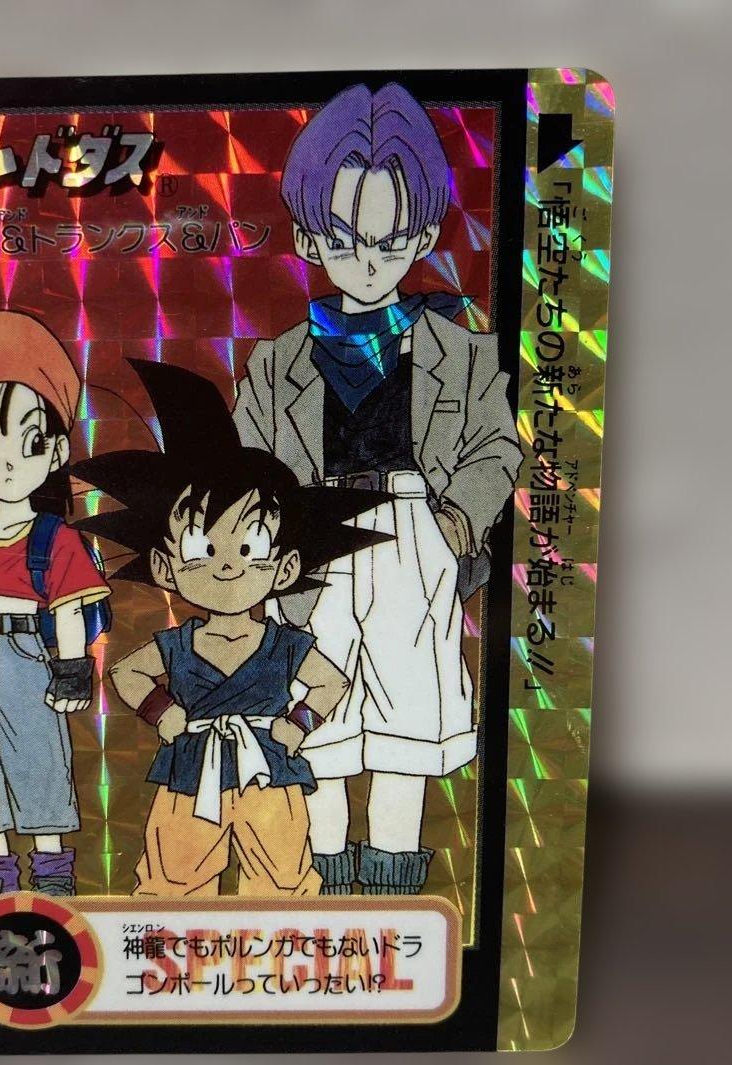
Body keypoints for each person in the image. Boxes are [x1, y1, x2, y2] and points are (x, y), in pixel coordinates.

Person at [233, 83, 522, 895]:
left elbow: (496, 448)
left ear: (422, 236)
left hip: (412, 541)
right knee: (314, 729)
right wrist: (275, 552)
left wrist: (452, 529)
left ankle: (393, 897)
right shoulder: (276, 362)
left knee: (406, 730)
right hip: (310, 544)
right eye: (342, 238)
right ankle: (325, 890)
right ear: (309, 238)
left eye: (390, 241)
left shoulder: (461, 352)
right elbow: (249, 464)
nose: (366, 260)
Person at [73, 359, 392, 896]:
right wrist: (162, 712)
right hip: (189, 771)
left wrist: (298, 724)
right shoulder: (178, 643)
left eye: (250, 547)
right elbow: (126, 674)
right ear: (165, 567)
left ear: (285, 568)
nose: (226, 565)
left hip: (269, 773)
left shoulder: (284, 644)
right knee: (173, 882)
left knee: (282, 883)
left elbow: (330, 682)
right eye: (200, 546)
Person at [0, 311, 110, 908]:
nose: (6, 463)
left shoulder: (56, 537)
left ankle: (52, 864)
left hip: (27, 653)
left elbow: (67, 611)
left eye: (28, 443)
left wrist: (72, 672)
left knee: (37, 757)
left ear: (56, 450)